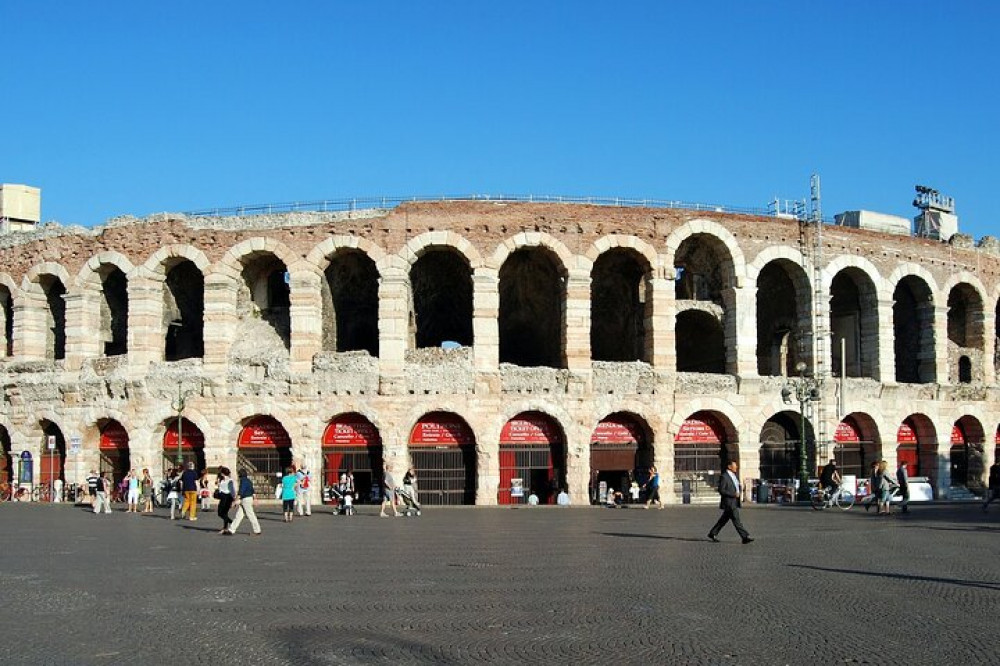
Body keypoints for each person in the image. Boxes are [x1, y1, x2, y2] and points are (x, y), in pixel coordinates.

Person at [707, 460, 753, 544]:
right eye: (735, 466)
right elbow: (721, 490)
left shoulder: (734, 476)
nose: (736, 467)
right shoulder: (724, 476)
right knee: (736, 520)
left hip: (734, 501)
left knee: (723, 520)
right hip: (729, 502)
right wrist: (733, 494)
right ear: (729, 467)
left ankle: (713, 533)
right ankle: (745, 537)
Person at [228, 469, 261, 535]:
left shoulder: (243, 481)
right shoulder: (249, 481)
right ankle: (231, 529)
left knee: (250, 515)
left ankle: (257, 530)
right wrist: (255, 499)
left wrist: (235, 501)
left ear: (240, 475)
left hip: (245, 499)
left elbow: (241, 492)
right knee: (239, 515)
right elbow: (252, 491)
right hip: (248, 499)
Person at [215, 466, 235, 534]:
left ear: (223, 473)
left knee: (221, 513)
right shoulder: (222, 479)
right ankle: (226, 527)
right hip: (223, 496)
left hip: (227, 497)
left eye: (221, 473)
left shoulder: (229, 480)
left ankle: (231, 523)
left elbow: (232, 491)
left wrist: (233, 500)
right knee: (223, 513)